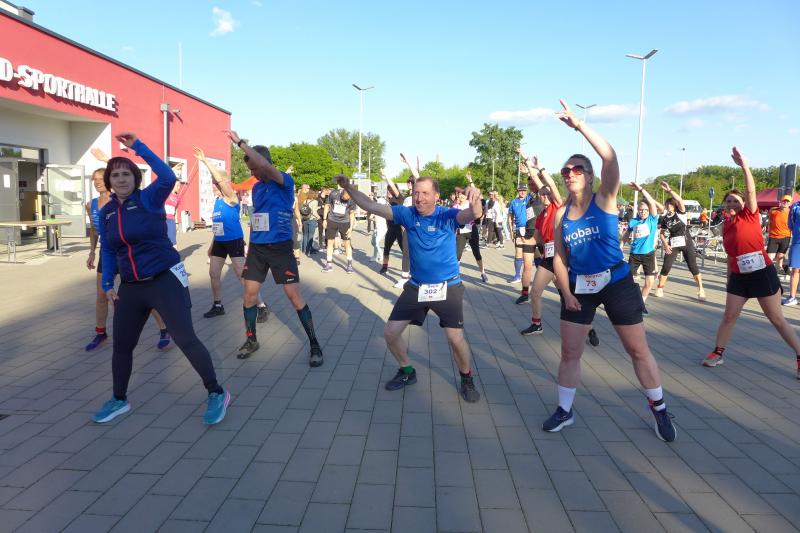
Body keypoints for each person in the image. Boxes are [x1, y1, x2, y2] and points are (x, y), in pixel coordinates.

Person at [542, 100, 675, 442]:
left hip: (616, 282)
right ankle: (564, 410)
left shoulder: (605, 198)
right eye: (565, 171)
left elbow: (611, 157)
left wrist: (580, 126)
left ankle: (659, 408)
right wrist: (566, 292)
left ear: (589, 176)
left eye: (576, 169)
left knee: (637, 350)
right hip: (579, 287)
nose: (569, 174)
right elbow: (559, 258)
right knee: (570, 352)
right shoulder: (561, 214)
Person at [93, 132, 228, 426]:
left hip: (164, 280)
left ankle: (216, 392)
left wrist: (138, 147)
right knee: (122, 345)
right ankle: (119, 399)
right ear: (109, 180)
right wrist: (107, 285)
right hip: (130, 287)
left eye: (126, 174)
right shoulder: (106, 213)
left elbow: (167, 176)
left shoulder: (148, 199)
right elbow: (109, 250)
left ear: (135, 178)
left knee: (185, 339)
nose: (121, 179)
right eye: (115, 175)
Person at [337, 172, 483, 401]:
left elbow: (473, 214)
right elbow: (370, 206)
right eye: (416, 193)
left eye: (425, 193)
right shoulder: (407, 214)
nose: (419, 198)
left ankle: (467, 378)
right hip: (417, 287)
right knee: (390, 333)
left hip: (448, 287)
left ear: (436, 196)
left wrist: (476, 200)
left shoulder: (447, 216)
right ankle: (407, 371)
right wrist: (349, 187)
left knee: (455, 339)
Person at [226, 130, 324, 366]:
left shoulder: (284, 181)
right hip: (258, 249)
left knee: (294, 297)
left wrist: (240, 142)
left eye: (255, 169)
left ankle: (314, 344)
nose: (253, 174)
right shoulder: (257, 188)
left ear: (265, 163)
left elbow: (263, 166)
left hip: (280, 248)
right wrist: (250, 245)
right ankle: (251, 340)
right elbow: (258, 218)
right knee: (249, 295)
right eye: (250, 171)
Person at [703, 148, 800, 378]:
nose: (732, 203)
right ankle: (718, 352)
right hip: (739, 277)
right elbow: (731, 256)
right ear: (724, 205)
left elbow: (750, 190)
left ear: (744, 203)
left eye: (736, 201)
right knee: (729, 316)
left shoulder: (750, 214)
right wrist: (729, 280)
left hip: (761, 273)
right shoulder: (726, 226)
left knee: (776, 318)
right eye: (728, 201)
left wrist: (744, 167)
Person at [85, 149, 171, 352]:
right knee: (101, 293)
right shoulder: (91, 205)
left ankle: (164, 329)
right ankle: (101, 332)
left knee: (145, 296)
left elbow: (126, 174)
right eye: (94, 180)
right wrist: (92, 251)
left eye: (100, 179)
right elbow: (94, 230)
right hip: (107, 252)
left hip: (127, 252)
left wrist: (108, 159)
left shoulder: (121, 199)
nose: (97, 183)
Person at [518, 154, 600, 347]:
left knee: (569, 297)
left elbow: (551, 186)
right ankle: (536, 324)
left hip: (563, 258)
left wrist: (537, 168)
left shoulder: (558, 205)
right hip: (549, 259)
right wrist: (523, 241)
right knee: (537, 292)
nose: (544, 196)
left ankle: (588, 328)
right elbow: (536, 238)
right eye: (542, 194)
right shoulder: (541, 215)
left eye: (546, 194)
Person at [193, 147, 269, 322]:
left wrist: (205, 161)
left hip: (234, 241)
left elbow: (221, 180)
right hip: (219, 242)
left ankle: (261, 305)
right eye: (212, 183)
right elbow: (218, 226)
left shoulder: (231, 197)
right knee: (213, 274)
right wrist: (212, 245)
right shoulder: (218, 201)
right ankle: (218, 305)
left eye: (215, 182)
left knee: (242, 276)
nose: (213, 185)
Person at [654, 182, 706, 301]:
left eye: (671, 204)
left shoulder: (681, 213)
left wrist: (669, 190)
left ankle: (701, 289)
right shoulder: (665, 219)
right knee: (666, 266)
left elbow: (680, 200)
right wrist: (665, 244)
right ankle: (660, 288)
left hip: (686, 241)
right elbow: (661, 233)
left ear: (675, 206)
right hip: (673, 243)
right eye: (667, 204)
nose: (669, 206)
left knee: (693, 266)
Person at [625, 182, 661, 316]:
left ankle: (641, 305)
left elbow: (651, 202)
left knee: (649, 282)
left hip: (648, 254)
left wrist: (641, 189)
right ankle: (624, 302)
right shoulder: (633, 221)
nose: (643, 212)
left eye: (645, 210)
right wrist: (620, 245)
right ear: (638, 210)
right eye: (641, 210)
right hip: (635, 254)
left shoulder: (652, 219)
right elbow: (626, 235)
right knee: (626, 281)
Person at [454, 186, 489, 282]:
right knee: (457, 255)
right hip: (461, 232)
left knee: (476, 252)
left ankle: (483, 272)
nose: (461, 197)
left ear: (466, 197)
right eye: (459, 196)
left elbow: (478, 209)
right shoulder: (455, 206)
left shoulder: (470, 205)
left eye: (463, 196)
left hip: (471, 230)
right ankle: (455, 274)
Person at [322, 183, 356, 273]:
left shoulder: (352, 199)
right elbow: (327, 205)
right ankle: (329, 264)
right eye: (345, 197)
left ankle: (349, 265)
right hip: (332, 220)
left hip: (345, 222)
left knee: (347, 243)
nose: (346, 199)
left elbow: (352, 214)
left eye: (348, 198)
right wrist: (324, 219)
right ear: (342, 192)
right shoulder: (334, 194)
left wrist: (351, 228)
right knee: (330, 242)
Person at [507, 183, 531, 290]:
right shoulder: (513, 202)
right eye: (521, 190)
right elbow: (510, 217)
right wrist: (511, 231)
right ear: (517, 191)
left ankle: (542, 273)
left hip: (530, 230)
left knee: (533, 253)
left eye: (524, 190)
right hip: (518, 230)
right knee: (518, 252)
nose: (522, 192)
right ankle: (517, 276)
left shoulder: (529, 199)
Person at [766, 195, 792, 279]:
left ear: (790, 203)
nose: (785, 202)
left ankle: (776, 274)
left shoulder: (791, 212)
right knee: (770, 257)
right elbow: (769, 221)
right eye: (784, 201)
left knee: (780, 257)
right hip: (773, 237)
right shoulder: (773, 210)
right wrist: (766, 229)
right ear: (780, 201)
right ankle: (768, 274)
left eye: (787, 201)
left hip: (785, 237)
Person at [783, 199, 800, 306]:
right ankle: (792, 297)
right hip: (797, 241)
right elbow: (790, 223)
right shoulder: (795, 206)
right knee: (795, 269)